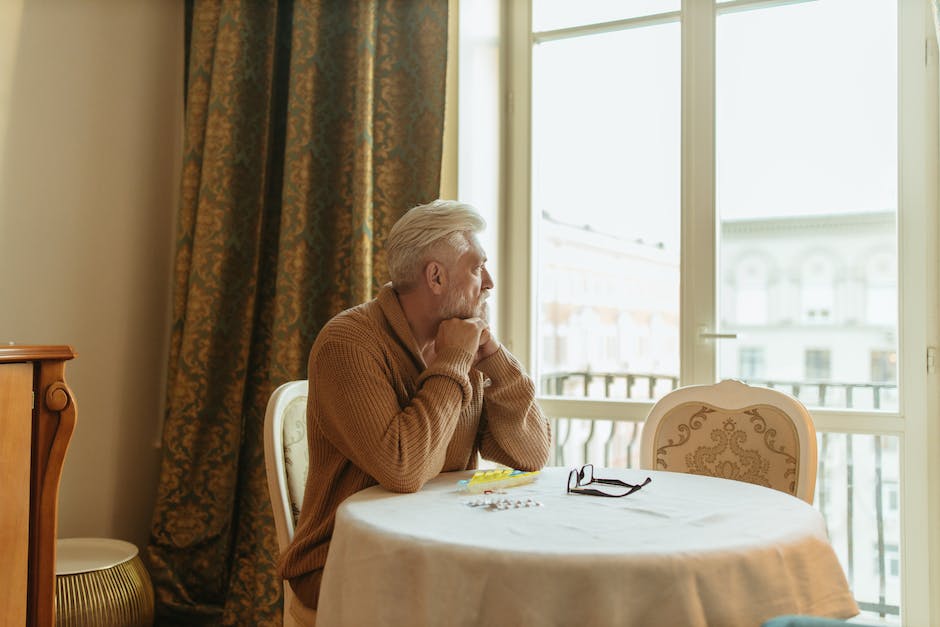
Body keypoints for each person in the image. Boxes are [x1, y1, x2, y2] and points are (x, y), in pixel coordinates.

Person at [278, 199, 552, 624]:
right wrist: (452, 364)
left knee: (532, 589)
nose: (490, 282)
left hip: (441, 540)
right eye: (478, 267)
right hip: (345, 556)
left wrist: (494, 356)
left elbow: (531, 455)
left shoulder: (462, 347)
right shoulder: (347, 344)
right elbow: (403, 468)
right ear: (436, 276)